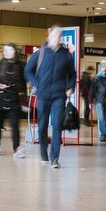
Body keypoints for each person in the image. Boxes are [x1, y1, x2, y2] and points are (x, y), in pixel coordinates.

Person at [24, 25, 76, 169]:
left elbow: (72, 74)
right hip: (43, 94)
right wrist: (36, 84)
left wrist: (71, 86)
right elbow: (28, 71)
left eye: (59, 35)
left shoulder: (66, 55)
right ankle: (44, 155)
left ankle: (55, 158)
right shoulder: (40, 53)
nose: (57, 37)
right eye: (55, 35)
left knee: (57, 125)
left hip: (59, 95)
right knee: (42, 126)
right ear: (49, 35)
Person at [0, 43, 27, 157]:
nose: (7, 52)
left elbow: (23, 85)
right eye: (5, 50)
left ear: (14, 51)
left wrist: (24, 102)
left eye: (9, 50)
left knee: (15, 123)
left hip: (13, 98)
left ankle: (16, 148)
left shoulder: (20, 66)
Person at [89, 60, 106, 142]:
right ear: (100, 67)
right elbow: (92, 91)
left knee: (105, 118)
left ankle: (104, 128)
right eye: (102, 65)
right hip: (99, 101)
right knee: (101, 118)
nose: (104, 67)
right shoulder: (96, 78)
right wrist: (91, 102)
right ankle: (103, 135)